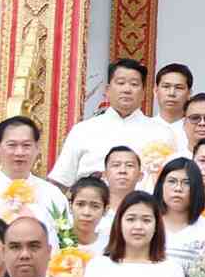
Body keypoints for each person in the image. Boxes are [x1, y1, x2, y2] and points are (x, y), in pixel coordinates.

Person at [52, 58, 174, 186]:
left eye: (134, 84)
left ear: (143, 93)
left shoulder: (162, 133)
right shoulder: (83, 130)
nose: (127, 89)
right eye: (120, 83)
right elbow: (61, 181)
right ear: (107, 90)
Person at [0, 116, 69, 250]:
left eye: (26, 145)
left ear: (37, 148)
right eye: (12, 145)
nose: (19, 152)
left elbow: (65, 244)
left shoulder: (53, 195)